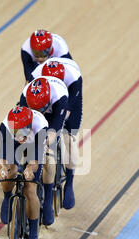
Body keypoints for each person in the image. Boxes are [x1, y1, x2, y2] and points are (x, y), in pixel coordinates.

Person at [29, 58, 83, 209]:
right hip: (44, 101)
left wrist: (50, 137)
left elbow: (65, 112)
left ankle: (70, 183)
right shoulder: (35, 76)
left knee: (68, 138)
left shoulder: (73, 78)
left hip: (64, 103)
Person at [0, 105, 48, 239]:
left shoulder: (40, 127)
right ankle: (7, 198)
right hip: (14, 145)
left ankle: (33, 234)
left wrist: (29, 169)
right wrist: (2, 169)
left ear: (29, 126)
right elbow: (2, 160)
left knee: (30, 189)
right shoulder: (5, 127)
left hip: (34, 145)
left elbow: (34, 162)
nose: (18, 135)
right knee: (9, 171)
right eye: (15, 132)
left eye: (21, 132)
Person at [19, 76, 69, 226]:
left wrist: (45, 144)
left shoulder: (60, 98)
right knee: (26, 145)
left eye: (40, 108)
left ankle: (48, 200)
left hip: (53, 117)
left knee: (48, 155)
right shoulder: (24, 96)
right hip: (33, 119)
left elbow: (53, 132)